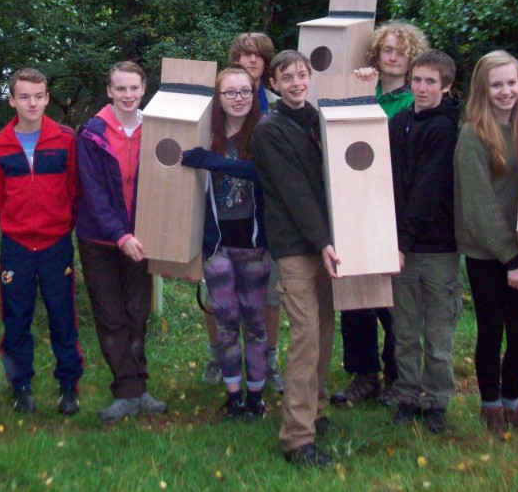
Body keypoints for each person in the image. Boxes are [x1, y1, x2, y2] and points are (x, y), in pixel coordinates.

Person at [333, 21, 429, 407]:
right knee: (354, 293)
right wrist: (357, 89)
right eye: (386, 49)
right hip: (352, 202)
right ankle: (363, 374)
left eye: (400, 51)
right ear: (376, 52)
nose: (392, 56)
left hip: (392, 206)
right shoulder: (362, 89)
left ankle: (396, 374)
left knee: (391, 297)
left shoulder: (414, 100)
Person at [252, 50, 339, 467]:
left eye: (302, 75)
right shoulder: (270, 131)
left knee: (324, 331)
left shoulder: (318, 120)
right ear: (274, 84)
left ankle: (317, 410)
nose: (296, 83)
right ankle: (297, 439)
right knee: (305, 339)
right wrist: (323, 241)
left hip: (327, 242)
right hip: (296, 247)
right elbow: (295, 192)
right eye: (287, 78)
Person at [455, 51, 518, 435]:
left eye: (512, 83)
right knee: (492, 331)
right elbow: (479, 207)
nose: (506, 91)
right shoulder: (473, 134)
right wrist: (511, 260)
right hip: (488, 252)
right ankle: (490, 409)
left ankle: (513, 405)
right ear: (483, 88)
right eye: (497, 84)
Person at [0, 67, 83, 416]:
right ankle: (21, 386)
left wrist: (59, 227)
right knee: (16, 319)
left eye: (38, 96)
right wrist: (14, 226)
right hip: (16, 247)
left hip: (56, 244)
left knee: (63, 317)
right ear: (12, 99)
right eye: (24, 96)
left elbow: (74, 192)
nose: (32, 103)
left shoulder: (65, 140)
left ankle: (68, 386)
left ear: (47, 98)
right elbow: (0, 196)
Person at [76, 61, 168, 423]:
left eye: (134, 88)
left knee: (138, 312)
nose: (128, 95)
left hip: (141, 238)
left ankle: (140, 387)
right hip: (100, 239)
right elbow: (93, 193)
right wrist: (119, 235)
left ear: (143, 89)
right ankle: (126, 390)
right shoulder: (92, 133)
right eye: (120, 89)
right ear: (109, 92)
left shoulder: (158, 128)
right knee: (111, 315)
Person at [182, 67, 269, 420]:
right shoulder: (207, 134)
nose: (239, 99)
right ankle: (233, 397)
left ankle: (256, 397)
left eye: (245, 92)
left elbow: (262, 171)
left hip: (254, 245)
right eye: (230, 93)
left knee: (256, 324)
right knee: (227, 322)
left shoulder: (264, 132)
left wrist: (213, 162)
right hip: (216, 245)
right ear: (218, 98)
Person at [388, 49, 461, 434]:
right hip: (401, 244)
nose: (422, 88)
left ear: (446, 87)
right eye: (416, 80)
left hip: (436, 249)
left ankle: (436, 402)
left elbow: (426, 191)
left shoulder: (446, 129)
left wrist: (403, 239)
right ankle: (407, 397)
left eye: (431, 81)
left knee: (436, 332)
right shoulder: (399, 122)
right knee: (404, 330)